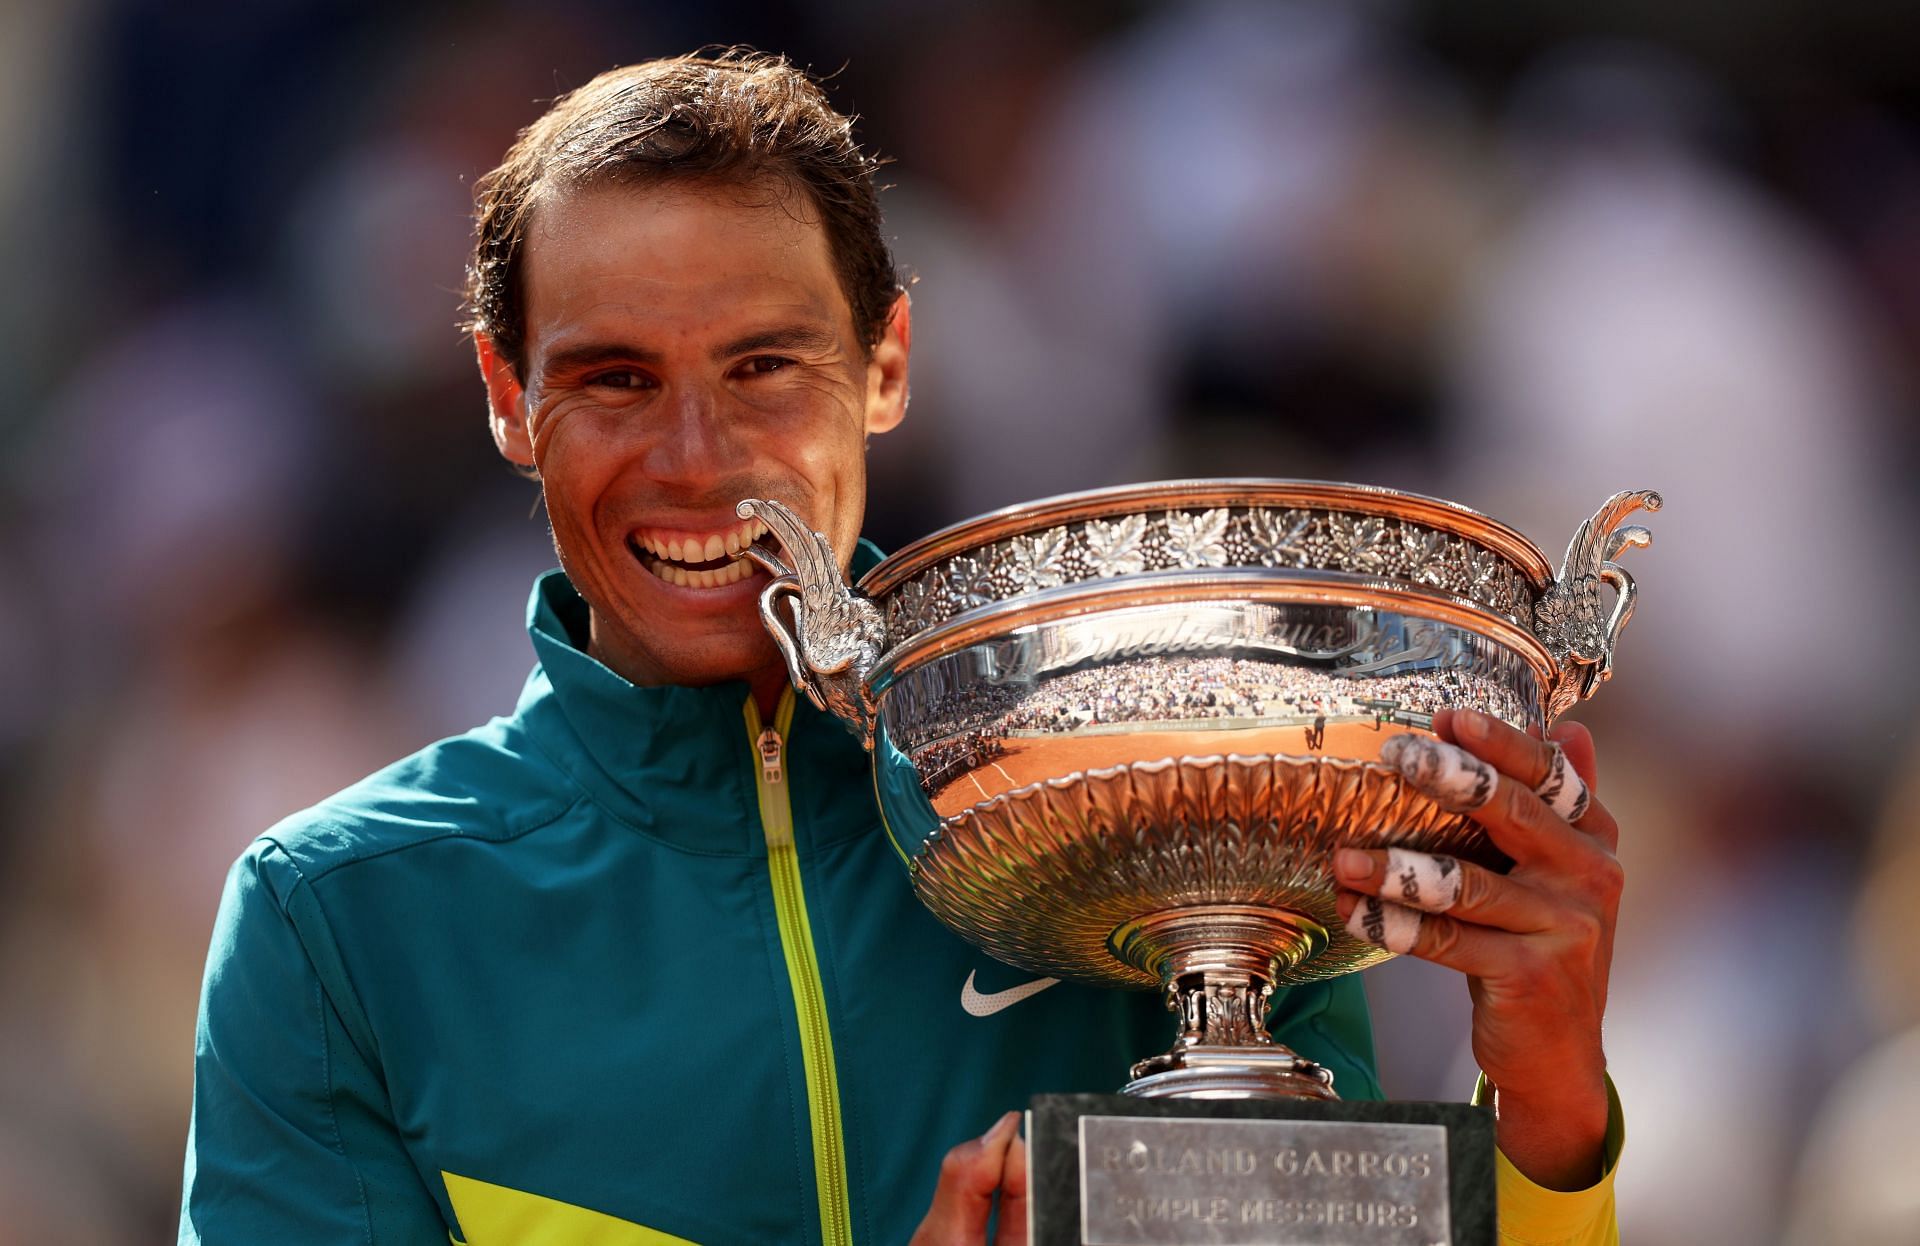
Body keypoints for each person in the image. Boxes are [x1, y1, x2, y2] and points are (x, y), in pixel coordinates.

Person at [179, 50, 1623, 1244]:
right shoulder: (342, 927)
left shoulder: (1179, 787)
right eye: (616, 380)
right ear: (507, 394)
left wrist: (1553, 1134)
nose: (698, 462)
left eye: (765, 370)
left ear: (887, 365)